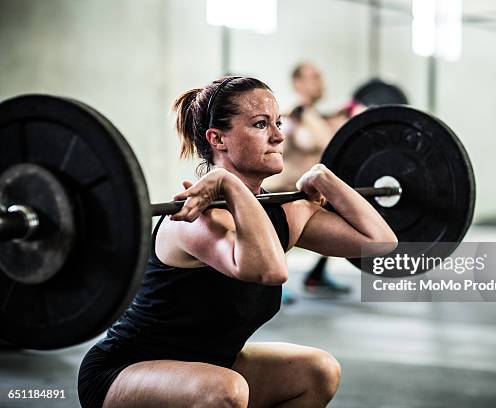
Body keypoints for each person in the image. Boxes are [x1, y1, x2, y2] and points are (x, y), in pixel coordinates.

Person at [77, 76, 397, 408]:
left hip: (209, 365)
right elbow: (269, 271)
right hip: (126, 371)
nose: (278, 135)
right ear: (217, 139)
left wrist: (325, 177)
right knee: (226, 391)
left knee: (317, 371)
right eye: (261, 124)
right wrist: (228, 184)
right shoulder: (196, 219)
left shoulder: (286, 211)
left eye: (278, 122)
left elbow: (380, 243)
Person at [265, 63, 353, 297]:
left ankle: (317, 275)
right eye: (313, 77)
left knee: (342, 215)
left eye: (320, 76)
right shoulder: (289, 117)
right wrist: (309, 113)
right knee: (277, 237)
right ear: (298, 83)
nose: (320, 82)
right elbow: (327, 143)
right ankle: (268, 284)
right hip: (277, 194)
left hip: (305, 194)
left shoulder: (317, 115)